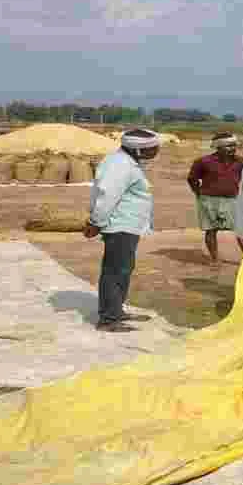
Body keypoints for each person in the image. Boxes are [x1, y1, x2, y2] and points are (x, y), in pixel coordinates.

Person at [84, 129, 161, 333]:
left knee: (123, 270)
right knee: (115, 271)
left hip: (127, 225)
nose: (157, 151)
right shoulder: (119, 165)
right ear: (137, 150)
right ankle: (108, 319)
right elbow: (106, 195)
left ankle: (116, 311)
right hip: (119, 226)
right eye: (152, 149)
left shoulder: (127, 163)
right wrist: (96, 221)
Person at [186, 132, 243, 265]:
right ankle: (215, 259)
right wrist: (199, 194)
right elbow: (192, 179)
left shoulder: (241, 162)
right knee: (211, 230)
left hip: (232, 199)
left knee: (241, 230)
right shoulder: (203, 162)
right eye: (228, 146)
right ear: (218, 147)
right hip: (208, 200)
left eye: (234, 145)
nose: (233, 148)